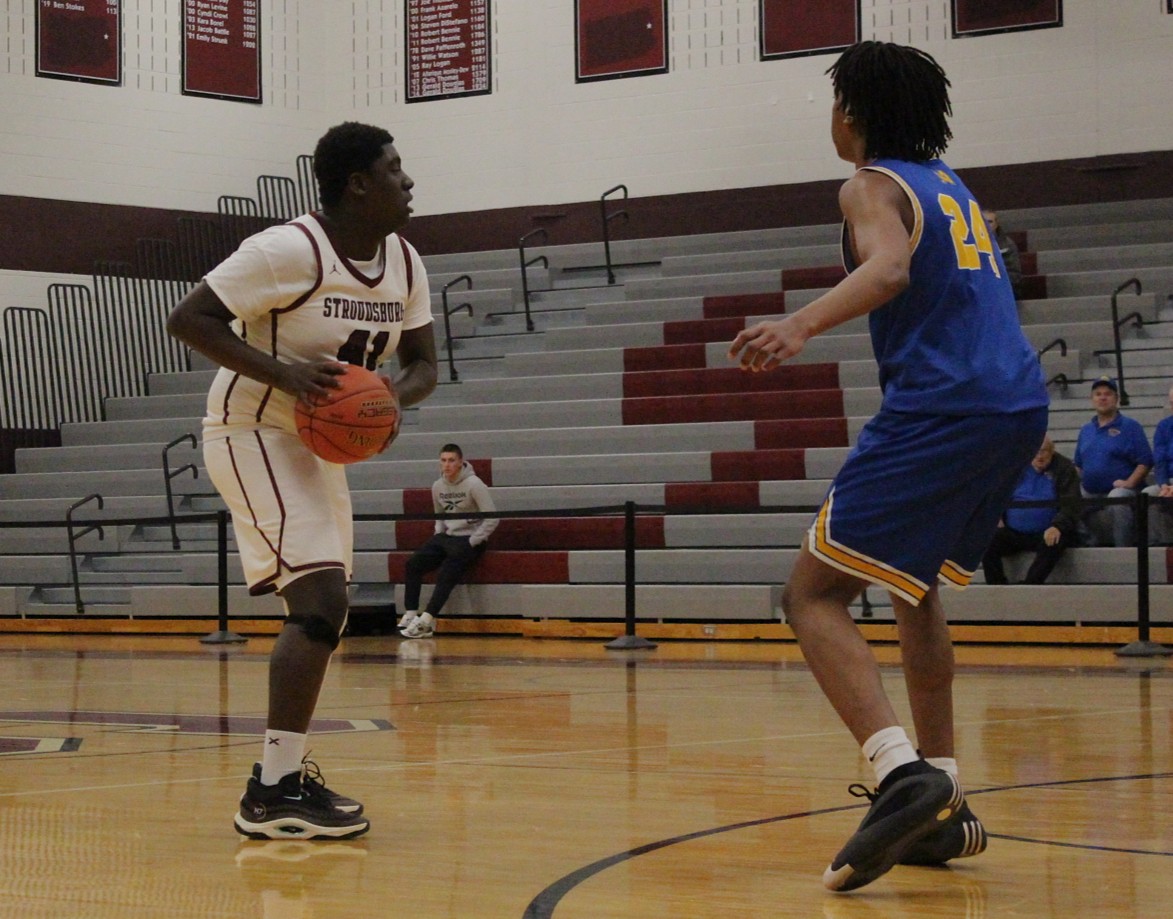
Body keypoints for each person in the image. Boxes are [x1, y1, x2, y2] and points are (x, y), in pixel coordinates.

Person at [728, 41, 1048, 892]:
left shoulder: (868, 185)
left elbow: (889, 267)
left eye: (834, 103)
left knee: (810, 593)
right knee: (911, 586)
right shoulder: (951, 184)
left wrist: (798, 325)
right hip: (1017, 402)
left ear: (855, 114)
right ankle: (945, 798)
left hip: (947, 404)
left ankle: (898, 769)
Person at [167, 122, 438, 839]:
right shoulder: (286, 250)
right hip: (252, 427)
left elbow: (424, 366)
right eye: (393, 168)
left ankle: (281, 782)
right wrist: (285, 373)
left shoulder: (405, 262)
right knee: (319, 597)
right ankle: (271, 791)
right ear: (356, 183)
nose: (406, 181)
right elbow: (188, 319)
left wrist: (389, 399)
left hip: (317, 443)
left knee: (329, 610)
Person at [398, 443, 498, 639]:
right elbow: (439, 515)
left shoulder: (475, 484)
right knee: (413, 564)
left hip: (469, 539)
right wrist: (438, 534)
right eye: (443, 460)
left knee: (446, 571)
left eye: (451, 460)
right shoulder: (437, 486)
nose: (447, 465)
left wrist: (474, 540)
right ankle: (410, 614)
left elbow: (493, 517)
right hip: (447, 536)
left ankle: (426, 621)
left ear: (461, 462)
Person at [981, 436, 1080, 584]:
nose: (1039, 457)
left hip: (1047, 531)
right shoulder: (1015, 467)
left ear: (1052, 452)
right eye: (1035, 452)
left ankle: (1031, 584)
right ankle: (996, 585)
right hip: (1014, 531)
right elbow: (997, 494)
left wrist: (1057, 526)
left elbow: (1071, 503)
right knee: (985, 540)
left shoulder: (1064, 468)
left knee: (1055, 541)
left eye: (1043, 452)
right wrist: (997, 516)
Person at [1073, 376, 1152, 548]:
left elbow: (1145, 461)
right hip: (1090, 491)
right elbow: (1078, 465)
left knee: (1118, 498)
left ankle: (1123, 550)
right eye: (1098, 394)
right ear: (1092, 399)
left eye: (1108, 394)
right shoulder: (1086, 430)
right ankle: (1090, 544)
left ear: (1116, 399)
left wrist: (1129, 483)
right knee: (1067, 500)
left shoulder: (1130, 426)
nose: (1102, 398)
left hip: (1123, 490)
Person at [1142, 384, 1173, 545]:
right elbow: (1159, 460)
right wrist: (1163, 484)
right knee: (1148, 494)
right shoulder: (1164, 426)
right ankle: (1157, 546)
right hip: (1168, 481)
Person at [981, 209, 1023, 299]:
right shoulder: (970, 243)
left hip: (1003, 289)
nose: (986, 225)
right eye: (983, 221)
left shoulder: (1007, 244)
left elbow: (1014, 275)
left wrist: (994, 284)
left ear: (996, 224)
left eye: (990, 222)